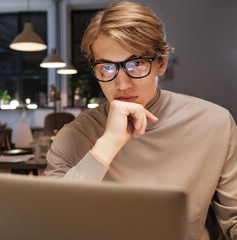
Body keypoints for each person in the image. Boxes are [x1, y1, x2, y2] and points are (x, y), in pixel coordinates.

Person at [44, 1, 237, 239]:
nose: (122, 84)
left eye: (136, 64)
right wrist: (107, 144)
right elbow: (51, 221)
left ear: (161, 63)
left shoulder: (215, 123)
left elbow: (234, 222)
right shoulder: (73, 135)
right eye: (106, 67)